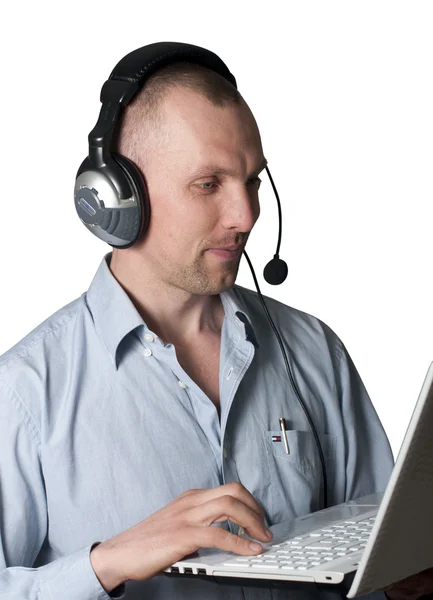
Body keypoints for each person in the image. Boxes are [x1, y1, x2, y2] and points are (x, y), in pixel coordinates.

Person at [0, 41, 428, 600]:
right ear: (117, 197)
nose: (245, 215)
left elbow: (382, 555)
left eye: (252, 181)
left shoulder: (313, 349)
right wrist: (107, 562)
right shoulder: (24, 395)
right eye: (209, 185)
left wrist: (405, 578)